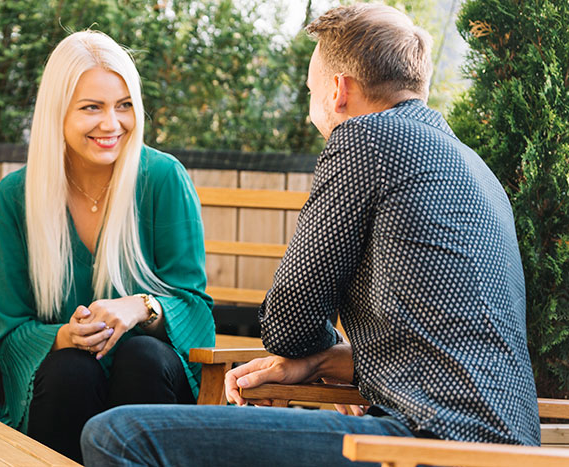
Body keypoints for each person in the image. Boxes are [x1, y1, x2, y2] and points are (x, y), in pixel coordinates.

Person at [80, 3, 541, 466]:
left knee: (116, 434)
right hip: (505, 451)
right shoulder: (476, 169)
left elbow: (288, 321)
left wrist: (306, 351)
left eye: (309, 91)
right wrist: (326, 361)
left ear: (339, 90)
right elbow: (443, 342)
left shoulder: (365, 137)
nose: (308, 114)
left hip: (420, 443)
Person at [0, 30, 215, 463]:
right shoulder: (16, 196)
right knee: (71, 365)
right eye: (92, 107)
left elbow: (199, 315)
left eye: (124, 106)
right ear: (58, 112)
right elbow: (12, 332)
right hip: (60, 390)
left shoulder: (164, 178)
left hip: (153, 383)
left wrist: (144, 307)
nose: (112, 124)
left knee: (141, 355)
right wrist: (62, 336)